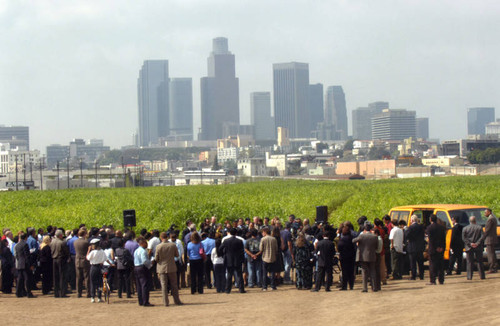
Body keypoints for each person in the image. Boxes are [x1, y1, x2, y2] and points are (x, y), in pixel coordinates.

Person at [155, 232, 183, 306]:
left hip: (162, 268)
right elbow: (177, 255)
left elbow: (156, 258)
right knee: (174, 285)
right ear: (167, 237)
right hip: (171, 267)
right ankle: (177, 301)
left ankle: (165, 302)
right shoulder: (173, 245)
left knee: (164, 285)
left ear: (161, 238)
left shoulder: (158, 246)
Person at [353, 222, 379, 293]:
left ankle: (365, 288)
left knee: (364, 272)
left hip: (363, 256)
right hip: (372, 255)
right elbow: (376, 247)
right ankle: (374, 287)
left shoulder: (362, 236)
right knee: (373, 271)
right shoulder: (375, 236)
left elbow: (353, 240)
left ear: (364, 228)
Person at [220, 228, 246, 293]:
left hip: (229, 260)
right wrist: (242, 260)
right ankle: (241, 289)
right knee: (239, 275)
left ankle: (228, 289)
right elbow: (242, 251)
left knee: (229, 275)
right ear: (236, 233)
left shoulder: (226, 241)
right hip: (238, 260)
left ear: (230, 233)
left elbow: (220, 249)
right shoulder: (239, 241)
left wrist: (224, 255)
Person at [86, 238, 111, 303]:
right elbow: (106, 259)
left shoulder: (92, 252)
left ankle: (92, 297)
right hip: (100, 267)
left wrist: (88, 250)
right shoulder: (102, 251)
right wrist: (111, 264)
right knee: (100, 283)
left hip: (93, 267)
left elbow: (88, 258)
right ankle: (99, 297)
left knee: (92, 282)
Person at [462, 216, 485, 280]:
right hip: (478, 247)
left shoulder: (465, 228)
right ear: (475, 221)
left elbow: (464, 238)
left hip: (469, 247)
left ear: (469, 221)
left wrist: (470, 244)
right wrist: (477, 243)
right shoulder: (479, 227)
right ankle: (482, 275)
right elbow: (482, 237)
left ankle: (469, 276)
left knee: (469, 262)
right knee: (479, 261)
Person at [426, 214, 446, 285]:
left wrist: (435, 247)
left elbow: (431, 240)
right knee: (441, 265)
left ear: (430, 219)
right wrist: (442, 247)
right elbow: (443, 239)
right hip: (441, 249)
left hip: (433, 249)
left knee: (432, 265)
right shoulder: (441, 227)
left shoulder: (429, 228)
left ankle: (433, 280)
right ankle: (441, 280)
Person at [134, 237, 153, 306]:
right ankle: (145, 301)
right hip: (142, 267)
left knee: (139, 285)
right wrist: (150, 264)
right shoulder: (143, 251)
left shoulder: (136, 250)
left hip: (136, 267)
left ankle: (141, 301)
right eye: (146, 243)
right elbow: (144, 260)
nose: (147, 244)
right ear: (142, 243)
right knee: (144, 284)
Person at [14, 232, 35, 298]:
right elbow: (27, 255)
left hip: (20, 263)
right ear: (26, 238)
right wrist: (30, 264)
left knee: (20, 278)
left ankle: (18, 292)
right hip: (25, 263)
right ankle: (29, 293)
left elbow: (16, 255)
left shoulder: (17, 245)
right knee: (27, 278)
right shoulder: (25, 244)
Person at [50, 229, 70, 298]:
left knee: (55, 277)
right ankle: (62, 293)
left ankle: (56, 293)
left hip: (54, 259)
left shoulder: (52, 242)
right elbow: (66, 252)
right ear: (61, 235)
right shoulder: (62, 242)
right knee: (62, 276)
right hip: (61, 259)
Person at [405, 215, 425, 280]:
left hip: (412, 247)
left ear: (412, 220)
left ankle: (413, 276)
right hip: (420, 247)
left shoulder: (410, 228)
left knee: (413, 263)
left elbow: (406, 235)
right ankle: (421, 275)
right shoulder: (421, 227)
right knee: (420, 263)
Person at [259, 227, 278, 291]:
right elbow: (276, 249)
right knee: (272, 273)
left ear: (265, 232)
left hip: (265, 258)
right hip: (273, 257)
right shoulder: (274, 239)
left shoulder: (263, 239)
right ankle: (273, 286)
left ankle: (264, 287)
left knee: (264, 273)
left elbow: (261, 249)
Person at [337, 225, 356, 290]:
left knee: (345, 272)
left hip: (344, 257)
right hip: (352, 256)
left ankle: (344, 286)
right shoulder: (352, 238)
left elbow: (339, 248)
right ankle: (351, 285)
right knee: (351, 271)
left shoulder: (342, 239)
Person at [74, 229, 90, 298]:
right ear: (84, 234)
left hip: (77, 260)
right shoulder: (86, 242)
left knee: (78, 278)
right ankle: (88, 292)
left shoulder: (75, 242)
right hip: (85, 261)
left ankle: (78, 293)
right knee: (86, 277)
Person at [481, 208, 498, 273]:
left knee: (490, 254)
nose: (485, 214)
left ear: (489, 212)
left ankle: (492, 268)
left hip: (489, 239)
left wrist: (482, 238)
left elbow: (487, 230)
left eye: (485, 212)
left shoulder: (490, 219)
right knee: (493, 254)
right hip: (492, 239)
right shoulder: (493, 218)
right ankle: (494, 267)